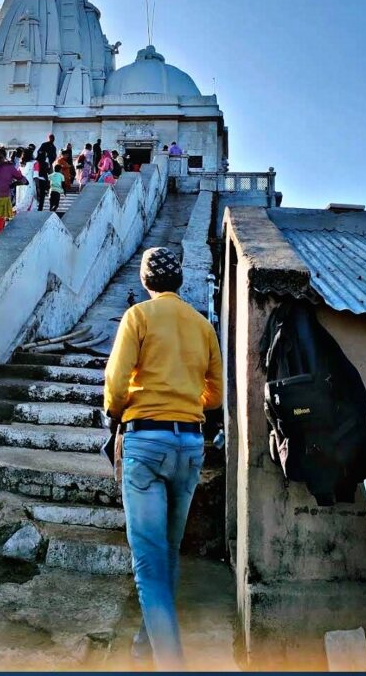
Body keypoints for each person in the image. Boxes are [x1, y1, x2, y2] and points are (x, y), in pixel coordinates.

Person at [104, 246, 223, 670]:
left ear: (145, 280)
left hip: (146, 443)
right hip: (189, 445)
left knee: (149, 564)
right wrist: (186, 399)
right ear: (180, 281)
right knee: (167, 553)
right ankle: (145, 647)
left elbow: (116, 384)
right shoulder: (202, 325)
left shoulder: (138, 317)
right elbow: (216, 396)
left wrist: (116, 413)